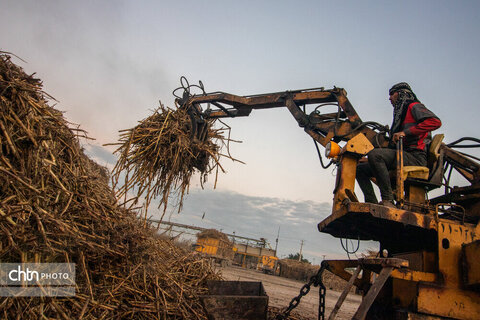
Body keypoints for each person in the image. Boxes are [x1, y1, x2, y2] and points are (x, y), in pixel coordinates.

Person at [356, 82, 442, 207]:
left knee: (376, 155)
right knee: (360, 169)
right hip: (403, 155)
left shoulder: (414, 106)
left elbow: (435, 122)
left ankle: (388, 200)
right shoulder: (400, 114)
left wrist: (405, 133)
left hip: (415, 157)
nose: (389, 98)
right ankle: (372, 203)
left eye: (392, 94)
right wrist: (369, 160)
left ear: (402, 93)